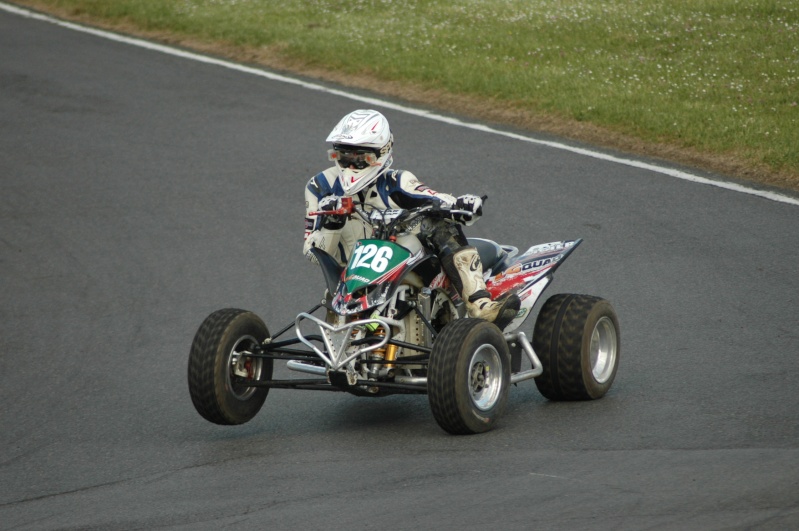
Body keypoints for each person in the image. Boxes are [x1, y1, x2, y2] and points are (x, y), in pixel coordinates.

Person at [303, 109, 520, 328]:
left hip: (398, 270)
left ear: (380, 153)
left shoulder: (396, 181)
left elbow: (432, 197)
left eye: (359, 157)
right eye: (343, 155)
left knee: (436, 224)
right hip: (347, 283)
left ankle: (479, 303)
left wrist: (460, 205)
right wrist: (332, 223)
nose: (350, 164)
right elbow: (312, 253)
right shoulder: (319, 187)